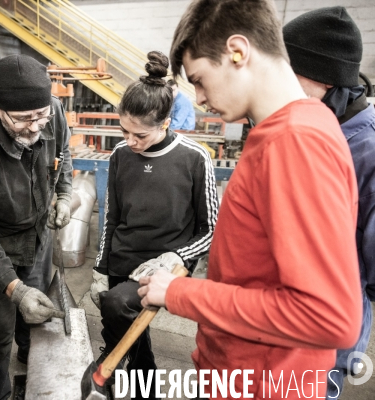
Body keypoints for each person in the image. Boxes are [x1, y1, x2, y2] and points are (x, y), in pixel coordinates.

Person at [138, 0, 362, 398]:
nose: (200, 98)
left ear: (238, 52)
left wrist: (180, 293)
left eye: (201, 79)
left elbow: (328, 316)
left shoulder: (294, 142)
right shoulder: (301, 125)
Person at [90, 51, 218, 398]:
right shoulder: (119, 156)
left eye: (140, 135)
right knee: (110, 300)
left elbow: (211, 229)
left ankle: (133, 366)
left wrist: (174, 258)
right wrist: (101, 267)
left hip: (166, 262)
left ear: (165, 123)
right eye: (124, 131)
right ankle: (137, 368)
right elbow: (112, 218)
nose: (130, 142)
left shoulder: (194, 158)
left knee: (118, 305)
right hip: (124, 255)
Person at [0, 54, 72, 400]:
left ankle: (28, 352)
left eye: (40, 117)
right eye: (22, 120)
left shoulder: (52, 111)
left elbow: (61, 152)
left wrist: (63, 196)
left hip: (39, 233)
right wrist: (14, 289)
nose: (34, 128)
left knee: (37, 318)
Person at [283, 7, 375, 399]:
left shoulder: (366, 148)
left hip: (333, 318)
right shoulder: (312, 127)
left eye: (289, 76)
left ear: (324, 80)